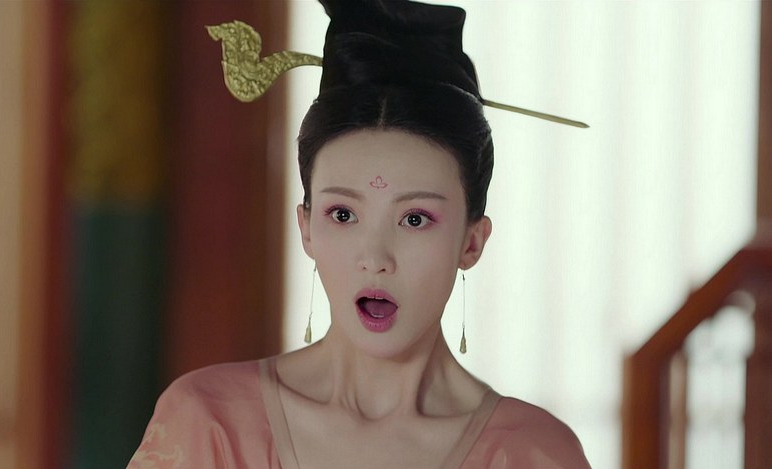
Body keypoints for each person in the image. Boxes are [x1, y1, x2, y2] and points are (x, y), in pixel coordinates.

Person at [128, 1, 591, 467]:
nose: (375, 258)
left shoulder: (532, 452)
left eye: (415, 219)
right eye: (343, 214)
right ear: (306, 229)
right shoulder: (208, 421)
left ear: (472, 242)